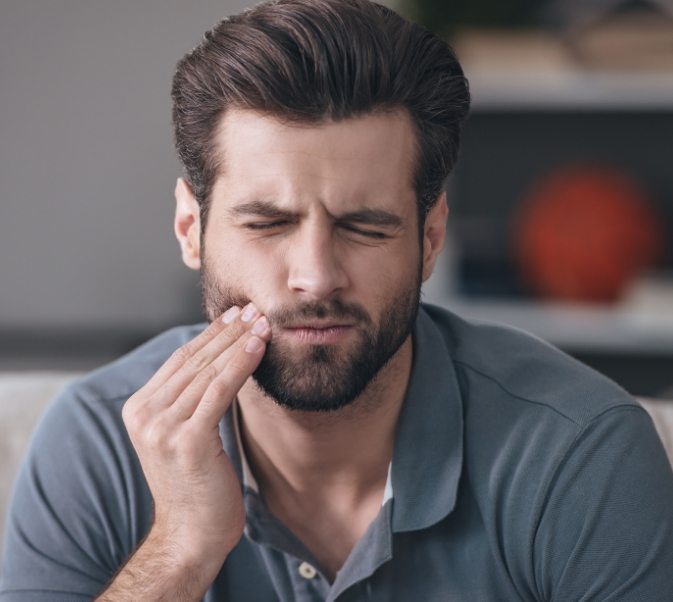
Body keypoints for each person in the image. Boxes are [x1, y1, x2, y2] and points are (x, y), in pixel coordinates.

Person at [2, 0, 673, 599]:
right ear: (190, 229)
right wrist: (179, 552)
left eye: (365, 226)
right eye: (267, 223)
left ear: (430, 236)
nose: (316, 277)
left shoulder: (578, 452)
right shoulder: (95, 442)